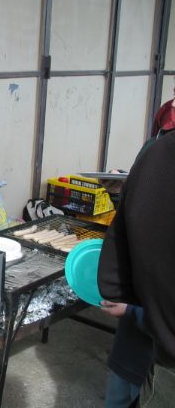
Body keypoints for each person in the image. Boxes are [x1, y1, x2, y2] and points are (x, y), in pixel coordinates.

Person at [98, 96, 175, 407]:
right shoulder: (158, 150)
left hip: (154, 333)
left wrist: (129, 307)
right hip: (144, 330)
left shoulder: (159, 152)